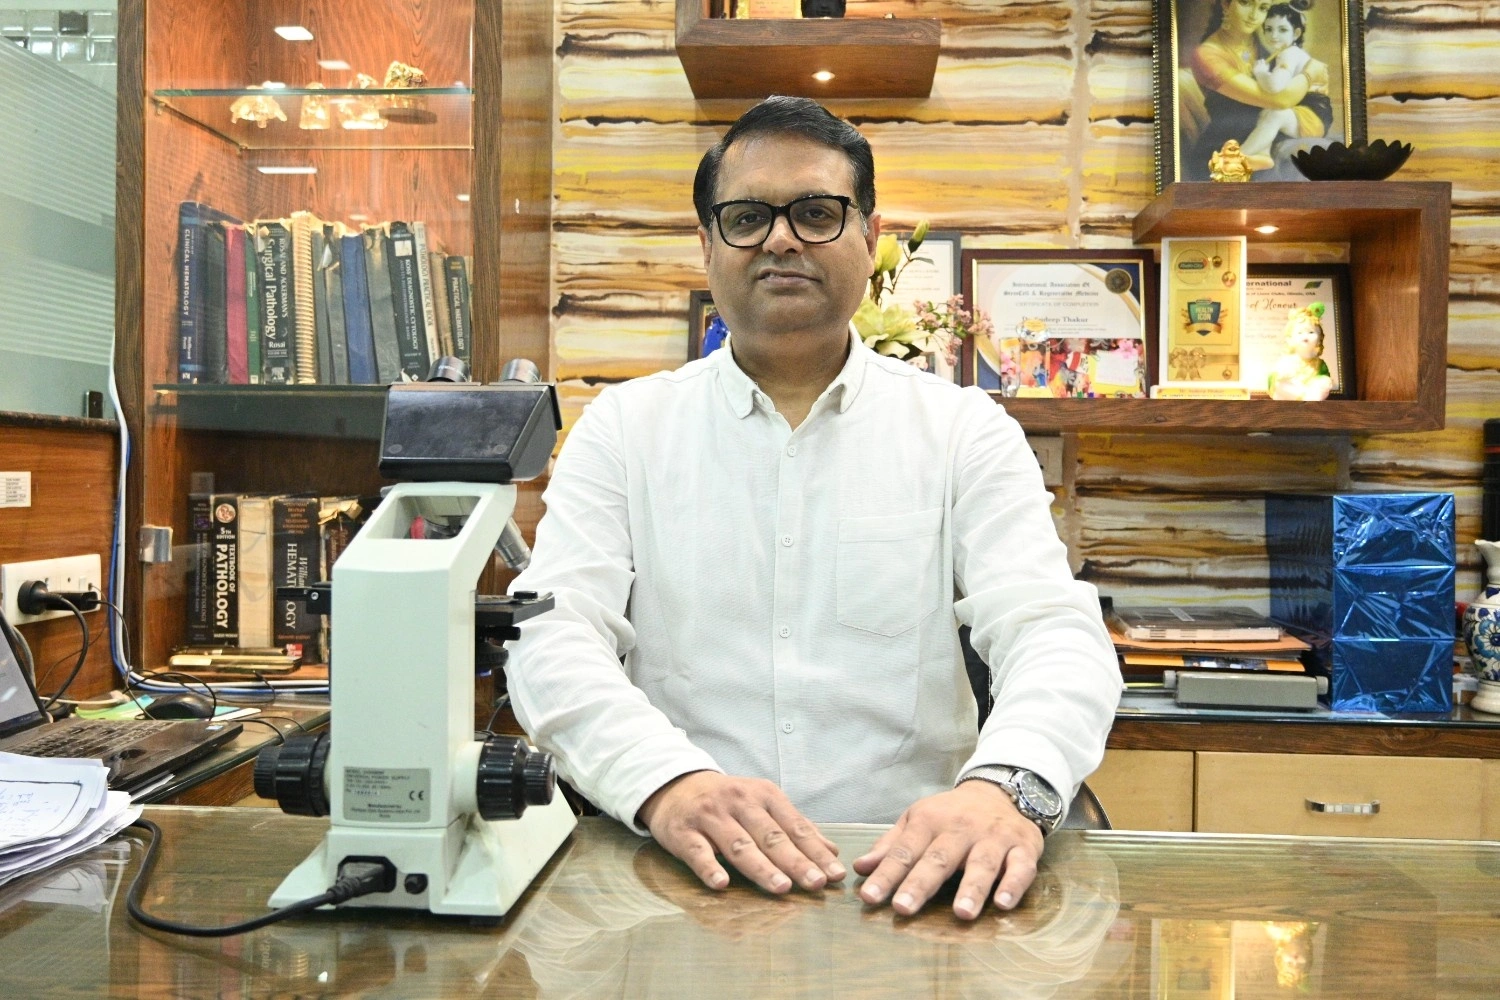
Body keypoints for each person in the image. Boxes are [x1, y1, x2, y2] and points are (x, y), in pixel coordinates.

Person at [505, 96, 1120, 921]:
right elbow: (552, 634)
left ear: (870, 236)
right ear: (708, 245)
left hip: (912, 884)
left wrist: (1004, 790)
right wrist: (668, 782)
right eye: (748, 216)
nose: (782, 238)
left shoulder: (964, 430)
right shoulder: (622, 429)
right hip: (675, 880)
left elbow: (1052, 632)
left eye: (818, 213)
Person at [1185, 0, 1327, 177]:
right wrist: (1310, 73)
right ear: (1226, 4)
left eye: (1263, 8)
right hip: (1226, 151)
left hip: (1268, 142)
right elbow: (1280, 100)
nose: (1254, 15)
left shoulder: (1269, 43)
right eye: (1245, 3)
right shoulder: (1208, 54)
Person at [1241, 3, 1333, 165]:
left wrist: (1260, 72)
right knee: (1268, 112)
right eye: (1268, 29)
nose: (1273, 35)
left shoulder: (1289, 54)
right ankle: (1262, 154)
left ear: (1296, 33)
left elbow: (1274, 85)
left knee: (1276, 114)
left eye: (1282, 30)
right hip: (1308, 113)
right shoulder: (1285, 53)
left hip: (1313, 117)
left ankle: (1238, 157)